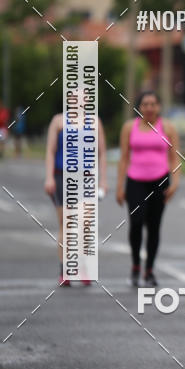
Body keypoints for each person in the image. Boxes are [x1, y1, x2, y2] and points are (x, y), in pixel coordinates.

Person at [116, 91, 180, 287]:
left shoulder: (168, 127)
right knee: (136, 222)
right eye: (145, 104)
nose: (149, 108)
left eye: (153, 104)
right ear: (139, 107)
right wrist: (120, 187)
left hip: (160, 181)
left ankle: (149, 270)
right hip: (135, 181)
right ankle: (136, 265)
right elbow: (124, 158)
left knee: (153, 227)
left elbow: (175, 158)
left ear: (159, 107)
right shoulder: (129, 127)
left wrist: (175, 183)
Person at [44, 109, 108, 286]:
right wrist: (49, 177)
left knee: (85, 223)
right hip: (62, 176)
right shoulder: (58, 121)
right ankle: (65, 269)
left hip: (85, 178)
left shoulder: (95, 121)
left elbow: (101, 153)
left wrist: (103, 180)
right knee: (66, 224)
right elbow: (50, 151)